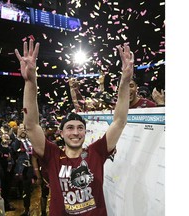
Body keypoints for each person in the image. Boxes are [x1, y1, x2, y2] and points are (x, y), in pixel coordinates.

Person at [14, 39, 134, 215]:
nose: (76, 132)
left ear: (86, 132)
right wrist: (31, 82)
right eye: (70, 128)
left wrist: (125, 81)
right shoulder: (52, 156)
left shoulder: (97, 152)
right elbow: (31, 126)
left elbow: (119, 121)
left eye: (80, 128)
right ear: (61, 133)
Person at [12, 123, 41, 216]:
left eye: (24, 128)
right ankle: (27, 209)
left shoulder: (32, 139)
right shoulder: (17, 141)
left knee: (41, 188)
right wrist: (18, 137)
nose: (23, 130)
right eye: (21, 128)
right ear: (18, 130)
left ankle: (42, 210)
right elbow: (14, 149)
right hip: (25, 169)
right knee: (26, 190)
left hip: (36, 166)